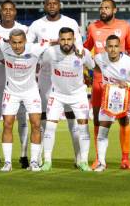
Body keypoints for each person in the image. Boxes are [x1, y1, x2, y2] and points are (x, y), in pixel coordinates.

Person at [27, 0, 83, 167]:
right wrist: (46, 47)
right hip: (45, 77)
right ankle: (42, 159)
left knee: (72, 118)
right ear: (44, 6)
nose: (51, 6)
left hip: (67, 77)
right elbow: (28, 47)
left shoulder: (71, 22)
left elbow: (79, 47)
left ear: (60, 5)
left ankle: (79, 158)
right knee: (45, 120)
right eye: (48, 4)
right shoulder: (37, 25)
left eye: (54, 3)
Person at [84, 0, 130, 170]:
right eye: (101, 7)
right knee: (98, 122)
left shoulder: (125, 27)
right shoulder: (93, 27)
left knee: (124, 120)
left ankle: (125, 158)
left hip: (119, 84)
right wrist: (86, 73)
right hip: (100, 82)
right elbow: (86, 51)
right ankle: (99, 159)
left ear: (115, 10)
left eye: (107, 7)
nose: (103, 10)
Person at [94, 35, 130, 172]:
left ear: (120, 47)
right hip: (110, 100)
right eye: (110, 46)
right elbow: (96, 68)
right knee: (103, 131)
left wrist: (128, 84)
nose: (113, 49)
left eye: (116, 46)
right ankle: (101, 163)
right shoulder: (99, 58)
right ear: (106, 48)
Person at [41, 27, 94, 172]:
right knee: (50, 127)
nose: (66, 42)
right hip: (57, 95)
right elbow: (39, 61)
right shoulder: (51, 52)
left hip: (78, 95)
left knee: (83, 128)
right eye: (63, 39)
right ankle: (47, 161)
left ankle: (83, 161)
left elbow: (93, 66)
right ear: (59, 40)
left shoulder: (83, 53)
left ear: (74, 40)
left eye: (69, 39)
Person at [0, 29, 52, 172]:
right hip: (11, 92)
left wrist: (78, 48)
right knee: (8, 125)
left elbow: (54, 41)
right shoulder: (3, 46)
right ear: (9, 42)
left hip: (31, 92)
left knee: (35, 124)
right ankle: (7, 163)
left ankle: (34, 162)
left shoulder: (35, 48)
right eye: (14, 43)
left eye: (20, 43)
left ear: (25, 41)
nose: (17, 46)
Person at [0, 0, 29, 168]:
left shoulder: (24, 30)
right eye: (5, 9)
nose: (8, 12)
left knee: (22, 120)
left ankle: (24, 155)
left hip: (20, 82)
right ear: (0, 11)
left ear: (15, 11)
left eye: (11, 9)